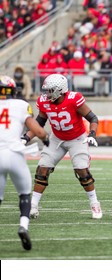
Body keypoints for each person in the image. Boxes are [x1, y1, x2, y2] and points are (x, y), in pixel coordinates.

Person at [22, 73, 103, 219]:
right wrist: (25, 138)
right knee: (42, 169)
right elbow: (39, 122)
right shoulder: (44, 102)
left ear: (60, 90)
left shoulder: (74, 99)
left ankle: (95, 203)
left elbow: (93, 118)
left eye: (50, 90)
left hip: (77, 139)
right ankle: (33, 206)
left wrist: (92, 134)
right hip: (56, 138)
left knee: (82, 171)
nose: (46, 94)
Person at [0, 75, 50, 250]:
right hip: (14, 153)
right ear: (13, 91)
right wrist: (46, 140)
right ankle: (23, 226)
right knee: (24, 194)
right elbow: (37, 130)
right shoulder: (20, 105)